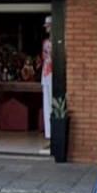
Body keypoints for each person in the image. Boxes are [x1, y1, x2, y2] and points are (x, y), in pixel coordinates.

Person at [41, 16, 52, 150]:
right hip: (46, 74)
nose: (47, 28)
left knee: (52, 105)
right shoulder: (45, 42)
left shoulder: (59, 41)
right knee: (47, 106)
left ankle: (52, 135)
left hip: (53, 74)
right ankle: (49, 135)